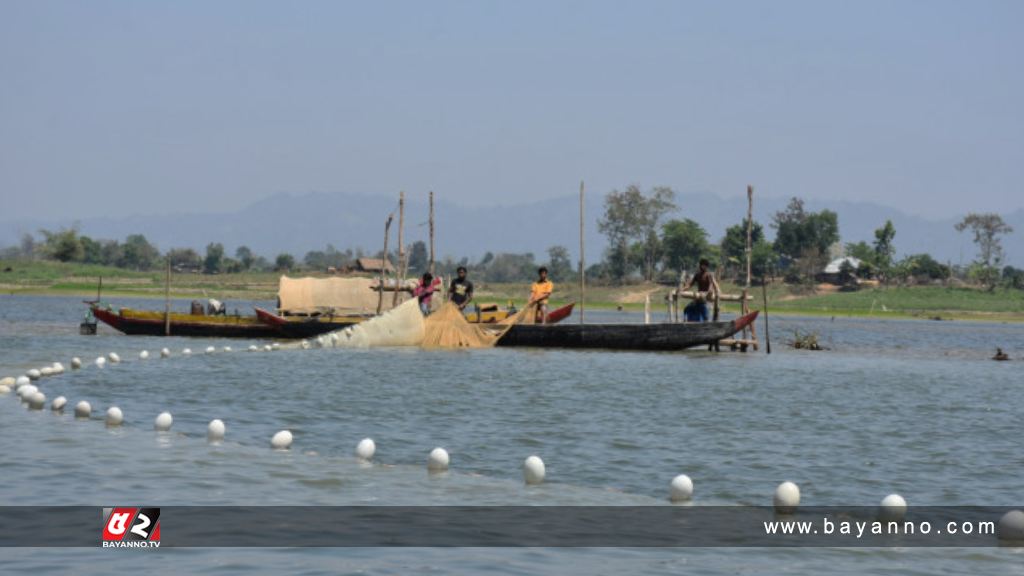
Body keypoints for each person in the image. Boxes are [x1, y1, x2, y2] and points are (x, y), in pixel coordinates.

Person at [681, 258, 720, 322]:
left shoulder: (708, 275)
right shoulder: (697, 275)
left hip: (705, 297)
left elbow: (710, 285)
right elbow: (690, 285)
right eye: (703, 265)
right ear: (701, 265)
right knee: (687, 309)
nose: (704, 267)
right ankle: (686, 321)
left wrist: (709, 291)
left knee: (705, 313)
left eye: (706, 266)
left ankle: (706, 322)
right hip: (698, 296)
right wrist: (682, 289)